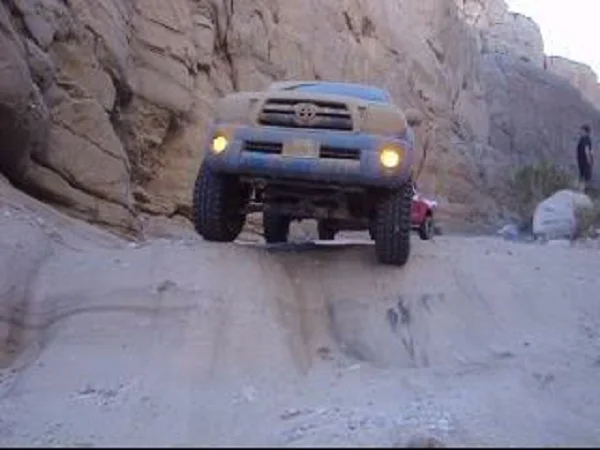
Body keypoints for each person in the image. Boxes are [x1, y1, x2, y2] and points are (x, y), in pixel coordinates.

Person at [576, 124, 594, 190]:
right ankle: (582, 189)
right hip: (582, 162)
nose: (580, 131)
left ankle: (584, 190)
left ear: (585, 131)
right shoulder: (583, 139)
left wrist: (589, 161)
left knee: (585, 177)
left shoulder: (586, 139)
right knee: (583, 176)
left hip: (585, 162)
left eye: (582, 130)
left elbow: (587, 150)